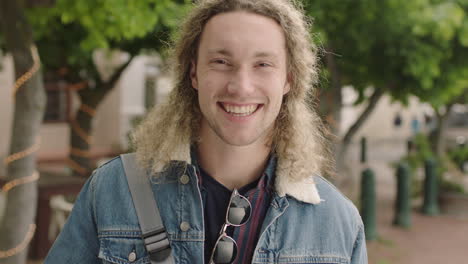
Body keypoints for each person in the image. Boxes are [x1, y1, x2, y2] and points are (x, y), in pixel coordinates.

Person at [45, 0, 367, 263]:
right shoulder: (112, 191)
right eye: (221, 61)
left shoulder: (339, 224)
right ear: (194, 73)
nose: (241, 86)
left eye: (263, 64)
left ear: (289, 80)